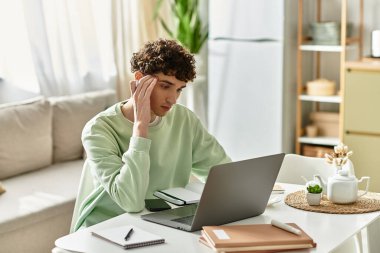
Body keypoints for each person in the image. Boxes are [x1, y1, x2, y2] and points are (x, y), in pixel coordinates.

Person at [70, 38, 231, 232]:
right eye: (165, 86)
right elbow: (131, 202)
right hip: (107, 229)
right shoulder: (98, 129)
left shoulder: (184, 119)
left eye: (179, 89)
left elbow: (223, 174)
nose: (173, 99)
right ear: (139, 79)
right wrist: (140, 128)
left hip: (158, 223)